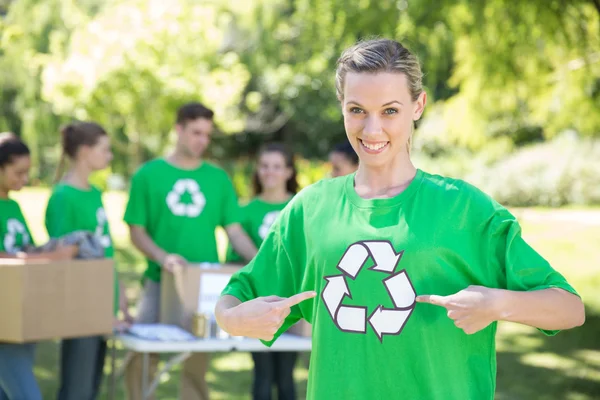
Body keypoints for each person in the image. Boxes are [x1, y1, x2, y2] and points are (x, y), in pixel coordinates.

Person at [214, 39, 585, 400]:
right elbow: (234, 298)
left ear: (418, 105)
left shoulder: (464, 209)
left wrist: (496, 305)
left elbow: (568, 308)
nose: (372, 130)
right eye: (357, 110)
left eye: (389, 111)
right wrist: (234, 320)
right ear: (342, 105)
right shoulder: (310, 209)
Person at [123, 102, 257, 400]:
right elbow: (135, 231)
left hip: (203, 284)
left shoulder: (218, 178)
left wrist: (259, 261)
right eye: (196, 133)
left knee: (197, 361)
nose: (202, 141)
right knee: (142, 355)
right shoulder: (148, 175)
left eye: (207, 135)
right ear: (178, 130)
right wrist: (163, 257)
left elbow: (234, 231)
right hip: (160, 279)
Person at [45, 122, 131, 400]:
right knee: (77, 389)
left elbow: (104, 250)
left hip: (103, 305)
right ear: (84, 151)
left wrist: (119, 296)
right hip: (81, 308)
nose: (109, 155)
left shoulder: (94, 193)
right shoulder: (63, 197)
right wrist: (94, 310)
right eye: (104, 149)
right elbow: (64, 263)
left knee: (92, 387)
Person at [0, 133, 78, 400]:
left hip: (22, 313)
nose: (23, 180)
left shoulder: (13, 205)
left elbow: (24, 249)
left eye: (27, 173)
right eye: (17, 172)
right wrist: (53, 258)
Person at [226, 143, 299, 400]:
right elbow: (235, 263)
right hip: (257, 302)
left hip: (293, 302)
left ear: (289, 172)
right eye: (265, 166)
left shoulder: (301, 207)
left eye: (277, 166)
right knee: (263, 373)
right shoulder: (245, 211)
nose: (270, 172)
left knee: (286, 375)